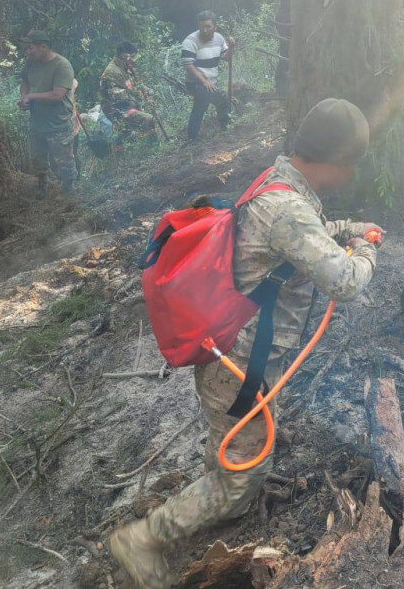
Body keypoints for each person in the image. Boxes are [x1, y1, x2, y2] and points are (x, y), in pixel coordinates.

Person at [108, 98, 383, 588]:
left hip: (237, 354)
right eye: (350, 165)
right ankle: (144, 538)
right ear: (338, 163)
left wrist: (346, 229)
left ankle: (218, 476)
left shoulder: (278, 182)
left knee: (235, 448)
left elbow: (303, 236)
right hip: (239, 367)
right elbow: (345, 282)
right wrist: (364, 248)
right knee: (239, 483)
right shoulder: (288, 209)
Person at [17, 30, 77, 198]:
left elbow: (57, 95)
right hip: (37, 121)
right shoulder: (31, 63)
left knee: (63, 162)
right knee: (38, 158)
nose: (27, 52)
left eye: (30, 48)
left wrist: (31, 96)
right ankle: (42, 185)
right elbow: (25, 82)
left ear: (43, 47)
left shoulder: (62, 65)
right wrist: (24, 98)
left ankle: (69, 191)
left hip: (58, 123)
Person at [181, 11, 235, 143]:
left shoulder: (219, 39)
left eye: (208, 26)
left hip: (210, 82)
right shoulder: (190, 41)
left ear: (215, 27)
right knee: (213, 99)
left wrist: (232, 47)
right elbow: (189, 66)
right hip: (195, 83)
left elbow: (226, 58)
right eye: (201, 27)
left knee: (205, 104)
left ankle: (195, 137)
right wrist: (204, 82)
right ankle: (224, 129)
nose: (204, 30)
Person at [99, 41, 157, 143]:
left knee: (152, 113)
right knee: (148, 119)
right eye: (133, 57)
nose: (134, 61)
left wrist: (147, 91)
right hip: (118, 111)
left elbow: (136, 84)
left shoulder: (126, 67)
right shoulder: (112, 71)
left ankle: (143, 142)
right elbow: (117, 98)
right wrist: (138, 95)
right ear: (123, 55)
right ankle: (149, 149)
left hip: (129, 105)